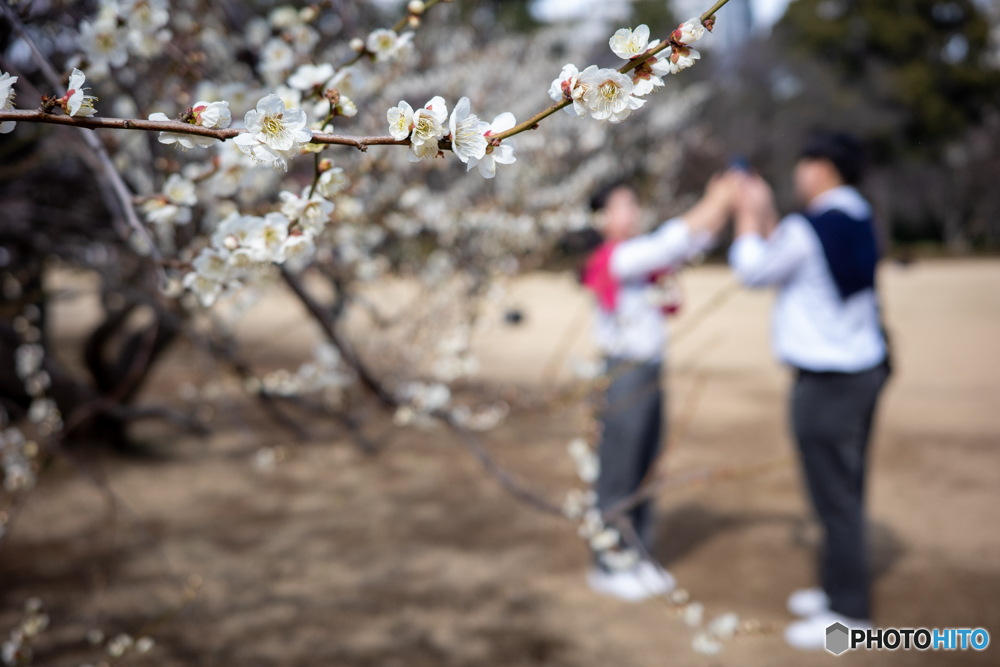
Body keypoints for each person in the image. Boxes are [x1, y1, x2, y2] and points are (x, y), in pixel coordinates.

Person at [727, 132, 890, 649]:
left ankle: (848, 615)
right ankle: (836, 588)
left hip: (825, 383)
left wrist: (748, 217)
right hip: (864, 371)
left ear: (823, 170)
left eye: (804, 163)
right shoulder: (857, 214)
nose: (799, 173)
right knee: (847, 489)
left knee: (833, 499)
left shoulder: (806, 227)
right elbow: (801, 259)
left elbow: (753, 271)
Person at [581, 178, 734, 601]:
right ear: (601, 218)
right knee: (619, 469)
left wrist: (721, 207)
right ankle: (609, 564)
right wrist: (714, 199)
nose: (633, 212)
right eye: (624, 205)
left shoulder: (642, 257)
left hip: (650, 371)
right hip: (623, 374)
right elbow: (672, 243)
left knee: (647, 466)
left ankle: (639, 554)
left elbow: (684, 246)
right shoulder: (615, 257)